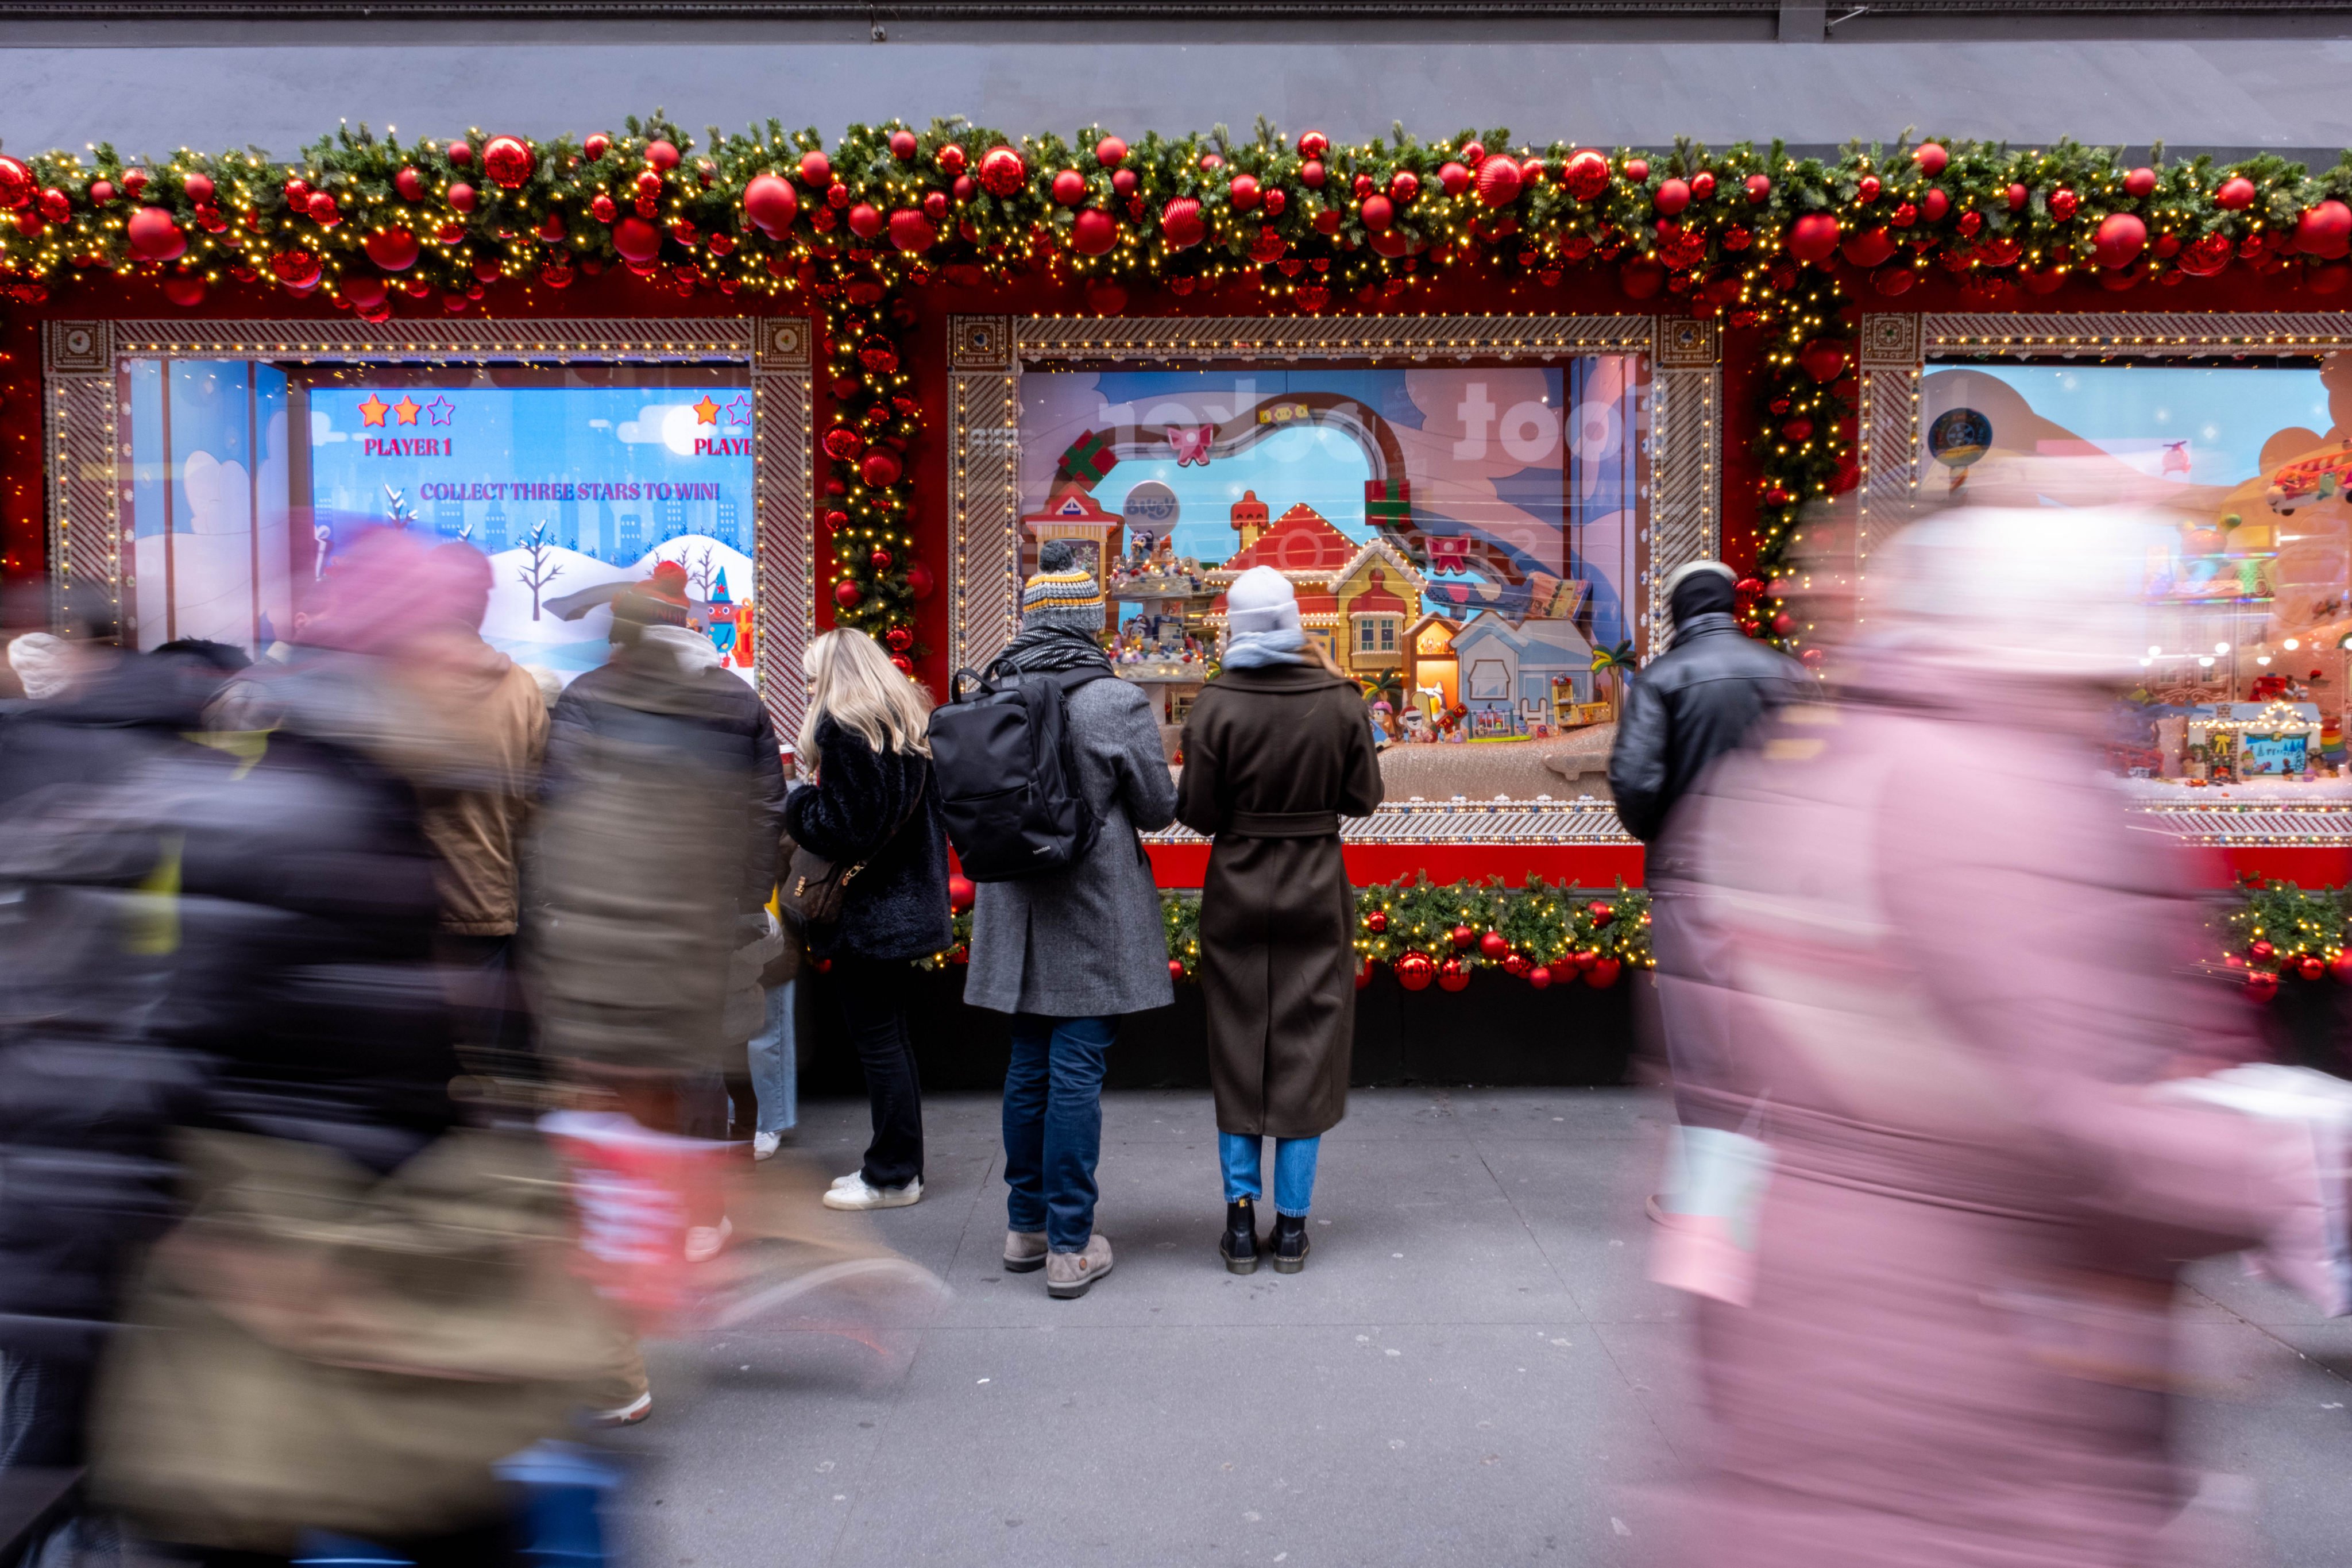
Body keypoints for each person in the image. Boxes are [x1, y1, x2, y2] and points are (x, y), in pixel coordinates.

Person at [1658, 504, 2313, 1568]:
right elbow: (2081, 1129)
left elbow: (1721, 1108)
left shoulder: (1815, 771)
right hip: (1985, 1391)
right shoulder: (2016, 799)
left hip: (1805, 1350)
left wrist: (1718, 1290)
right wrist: (2276, 1162)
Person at [531, 562, 786, 1425]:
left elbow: (558, 815)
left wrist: (558, 920)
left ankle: (632, 1262)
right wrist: (741, 899)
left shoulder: (585, 699)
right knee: (705, 1061)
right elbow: (764, 814)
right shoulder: (735, 699)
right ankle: (704, 1216)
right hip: (707, 919)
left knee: (612, 1092)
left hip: (612, 932)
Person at [964, 544, 1179, 1299]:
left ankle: (1025, 1227)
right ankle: (1068, 1242)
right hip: (1089, 908)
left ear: (1030, 618)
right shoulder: (1110, 700)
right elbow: (1156, 808)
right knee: (1077, 1068)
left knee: (1027, 1065)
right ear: (1089, 621)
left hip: (1013, 908)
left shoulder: (990, 691)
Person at [1177, 566, 1382, 1275]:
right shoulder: (1340, 700)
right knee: (1310, 1049)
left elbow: (1197, 812)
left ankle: (1239, 1223)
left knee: (1238, 1045)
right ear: (1296, 621)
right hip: (1317, 885)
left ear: (1233, 627)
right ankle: (1291, 1228)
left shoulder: (1213, 706)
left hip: (1237, 884)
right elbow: (1364, 799)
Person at [1605, 560, 1806, 1219]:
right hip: (1778, 881)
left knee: (1700, 1037)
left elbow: (1634, 784)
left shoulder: (1663, 678)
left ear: (1678, 612)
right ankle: (1774, 1183)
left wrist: (1671, 834)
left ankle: (1712, 1195)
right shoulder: (1788, 674)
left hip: (1692, 882)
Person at [783, 628, 951, 1213]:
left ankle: (892, 1175)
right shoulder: (904, 723)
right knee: (892, 1042)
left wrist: (799, 802)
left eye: (811, 676)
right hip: (904, 908)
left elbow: (843, 828)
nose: (808, 686)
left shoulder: (845, 730)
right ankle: (895, 1165)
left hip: (870, 915)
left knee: (880, 1044)